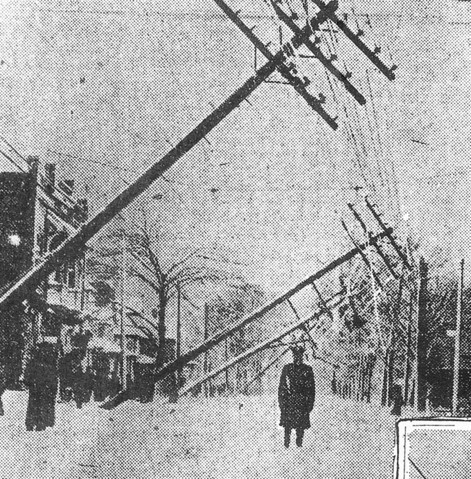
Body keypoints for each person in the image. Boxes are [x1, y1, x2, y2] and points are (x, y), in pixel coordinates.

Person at [278, 345, 316, 448]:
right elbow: (282, 387)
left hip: (301, 404)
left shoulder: (308, 370)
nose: (297, 358)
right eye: (295, 356)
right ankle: (286, 448)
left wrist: (309, 405)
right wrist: (282, 404)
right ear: (293, 356)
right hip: (289, 403)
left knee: (300, 430)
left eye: (299, 356)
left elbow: (311, 390)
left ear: (302, 356)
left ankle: (299, 449)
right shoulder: (287, 369)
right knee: (287, 428)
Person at [24, 339, 58, 431]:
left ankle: (31, 424)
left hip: (36, 385)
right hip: (43, 385)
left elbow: (28, 371)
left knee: (34, 404)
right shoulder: (50, 361)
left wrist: (27, 381)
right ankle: (39, 424)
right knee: (42, 404)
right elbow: (53, 375)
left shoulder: (35, 359)